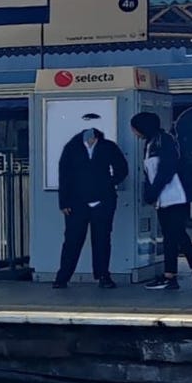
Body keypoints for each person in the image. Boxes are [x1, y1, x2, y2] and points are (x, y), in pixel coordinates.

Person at [130, 110, 192, 291]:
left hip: (175, 195)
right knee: (173, 236)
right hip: (164, 198)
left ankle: (187, 273)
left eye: (134, 127)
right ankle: (175, 275)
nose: (133, 131)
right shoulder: (151, 143)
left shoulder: (164, 141)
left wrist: (152, 192)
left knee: (176, 235)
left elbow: (166, 169)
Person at [52, 122, 128, 289]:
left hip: (103, 200)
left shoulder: (108, 147)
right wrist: (64, 201)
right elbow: (64, 175)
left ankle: (103, 275)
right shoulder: (72, 148)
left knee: (102, 239)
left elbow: (122, 168)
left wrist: (110, 182)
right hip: (76, 202)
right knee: (72, 240)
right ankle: (63, 276)